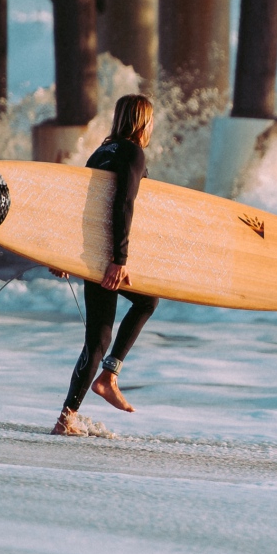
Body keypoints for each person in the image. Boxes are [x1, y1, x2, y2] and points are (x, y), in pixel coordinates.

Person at [53, 94, 159, 436]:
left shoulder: (101, 153)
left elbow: (83, 209)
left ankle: (67, 417)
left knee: (97, 340)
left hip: (90, 252)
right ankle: (109, 376)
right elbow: (122, 204)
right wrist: (119, 260)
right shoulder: (132, 152)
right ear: (143, 122)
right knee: (147, 301)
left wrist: (65, 254)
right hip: (107, 255)